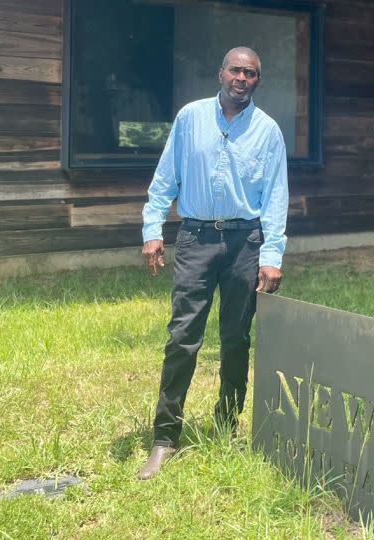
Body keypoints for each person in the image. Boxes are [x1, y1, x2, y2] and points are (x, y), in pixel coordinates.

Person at [137, 47, 288, 481]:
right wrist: (152, 231)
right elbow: (165, 179)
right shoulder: (190, 119)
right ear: (220, 73)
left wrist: (272, 256)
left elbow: (276, 197)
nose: (242, 77)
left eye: (251, 73)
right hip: (196, 238)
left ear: (258, 81)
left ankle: (226, 427)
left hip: (246, 243)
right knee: (182, 337)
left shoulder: (268, 131)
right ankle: (165, 438)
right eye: (235, 70)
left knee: (236, 339)